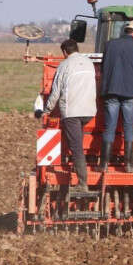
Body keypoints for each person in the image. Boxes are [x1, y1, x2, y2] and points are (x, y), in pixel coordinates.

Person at [99, 20, 133, 172]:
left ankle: (103, 164)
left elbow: (103, 67)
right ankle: (129, 165)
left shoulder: (110, 44)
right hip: (131, 93)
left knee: (109, 127)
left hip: (111, 91)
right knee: (128, 127)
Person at [42, 39, 96, 192]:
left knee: (76, 147)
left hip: (72, 112)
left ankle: (82, 183)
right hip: (90, 111)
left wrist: (47, 110)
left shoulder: (64, 65)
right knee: (76, 138)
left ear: (65, 52)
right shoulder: (89, 63)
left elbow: (55, 92)